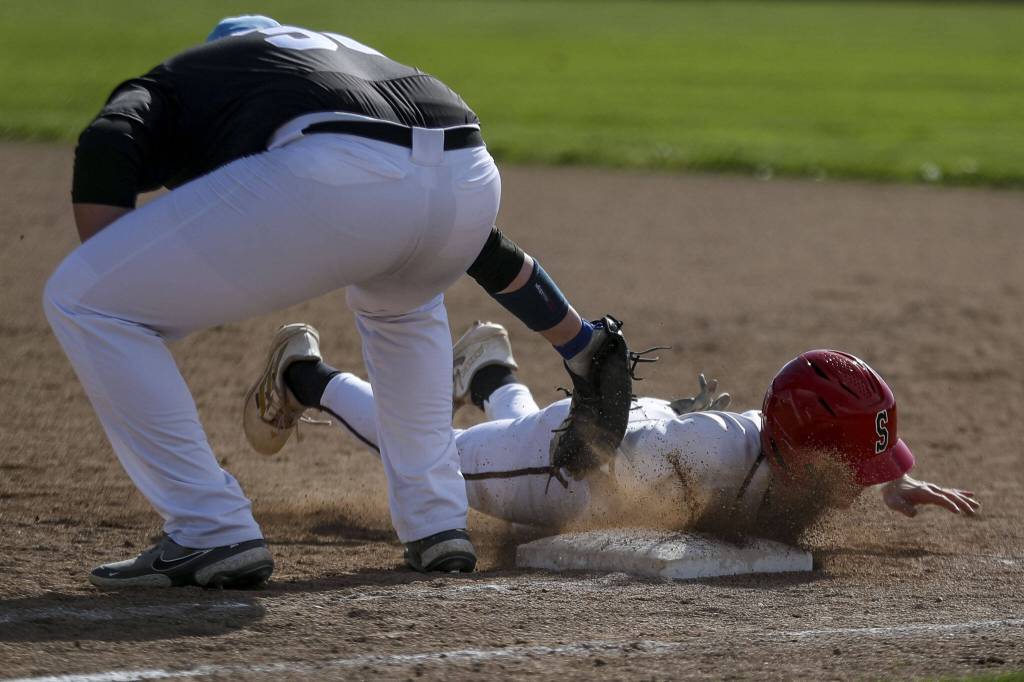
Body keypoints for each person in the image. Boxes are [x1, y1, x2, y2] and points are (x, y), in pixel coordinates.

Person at [43, 16, 628, 588]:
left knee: (86, 302)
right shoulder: (345, 65)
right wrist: (576, 339)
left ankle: (207, 527)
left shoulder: (189, 77)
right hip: (469, 170)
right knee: (404, 302)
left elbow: (106, 138)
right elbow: (479, 246)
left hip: (339, 169)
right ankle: (437, 522)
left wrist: (118, 285)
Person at [259, 321, 978, 543]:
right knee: (429, 457)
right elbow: (608, 487)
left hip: (650, 427)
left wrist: (896, 480)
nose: (859, 477)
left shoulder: (785, 447)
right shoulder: (701, 460)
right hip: (564, 467)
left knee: (501, 435)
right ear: (807, 451)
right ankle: (305, 374)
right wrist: (591, 448)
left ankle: (487, 375)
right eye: (856, 464)